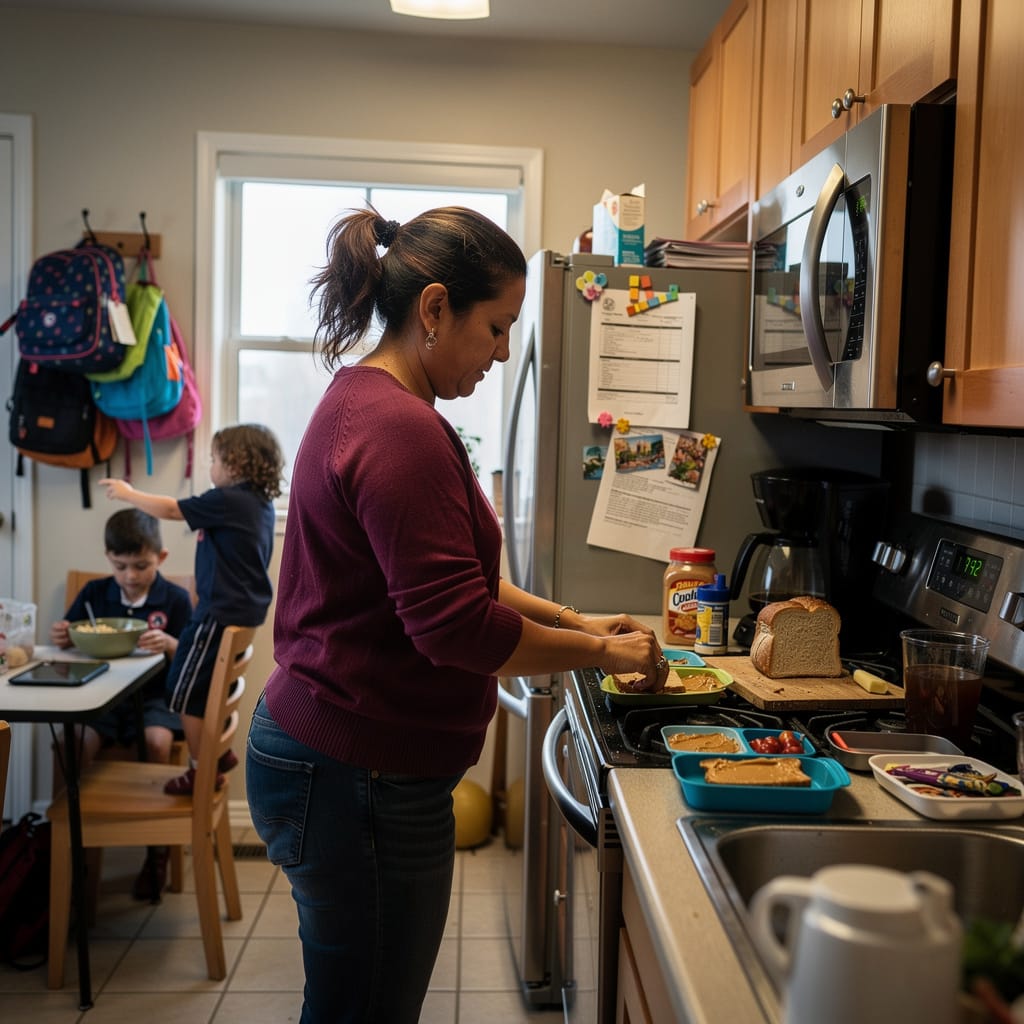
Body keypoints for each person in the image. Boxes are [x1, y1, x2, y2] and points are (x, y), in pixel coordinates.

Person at [244, 206, 667, 1024]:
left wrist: (581, 624)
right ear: (434, 309)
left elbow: (458, 583)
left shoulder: (373, 403)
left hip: (338, 757)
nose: (505, 352)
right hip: (355, 774)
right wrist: (599, 656)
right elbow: (455, 629)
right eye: (498, 327)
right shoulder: (400, 430)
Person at [99, 423, 284, 796]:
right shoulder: (260, 505)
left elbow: (171, 509)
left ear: (235, 463)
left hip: (217, 614)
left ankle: (202, 769)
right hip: (240, 611)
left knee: (183, 694)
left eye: (214, 459)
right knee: (201, 689)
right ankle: (217, 754)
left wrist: (129, 493)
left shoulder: (229, 500)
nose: (210, 467)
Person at [51, 508, 193, 900]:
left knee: (159, 743)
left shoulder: (177, 599)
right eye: (120, 566)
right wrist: (65, 636)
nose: (130, 576)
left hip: (155, 699)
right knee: (71, 744)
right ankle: (70, 852)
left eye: (140, 566)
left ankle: (157, 850)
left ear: (160, 558)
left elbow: (195, 660)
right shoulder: (95, 594)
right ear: (108, 559)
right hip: (100, 700)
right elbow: (71, 638)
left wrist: (170, 645)